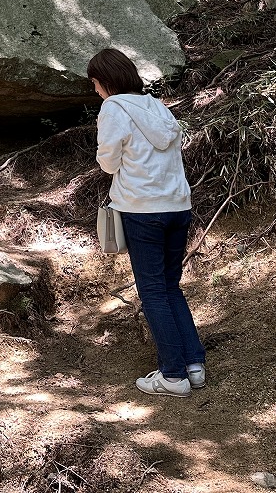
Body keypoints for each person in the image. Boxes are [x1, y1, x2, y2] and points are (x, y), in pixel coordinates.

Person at [88, 47, 206, 397]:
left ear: (105, 82)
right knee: (170, 286)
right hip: (177, 206)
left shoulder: (113, 107)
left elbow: (108, 164)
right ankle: (194, 365)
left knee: (153, 291)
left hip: (142, 211)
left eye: (95, 84)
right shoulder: (157, 106)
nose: (95, 91)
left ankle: (172, 375)